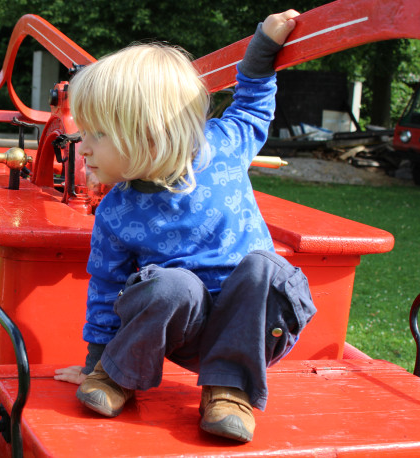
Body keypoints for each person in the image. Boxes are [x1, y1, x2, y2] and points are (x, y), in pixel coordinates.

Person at [54, 10, 316, 443]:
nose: (82, 145)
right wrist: (96, 359)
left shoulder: (222, 147)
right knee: (174, 284)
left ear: (147, 134)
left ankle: (230, 392)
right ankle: (117, 376)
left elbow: (252, 104)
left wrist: (264, 45)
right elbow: (105, 286)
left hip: (254, 327)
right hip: (183, 334)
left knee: (263, 268)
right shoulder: (116, 211)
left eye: (96, 133)